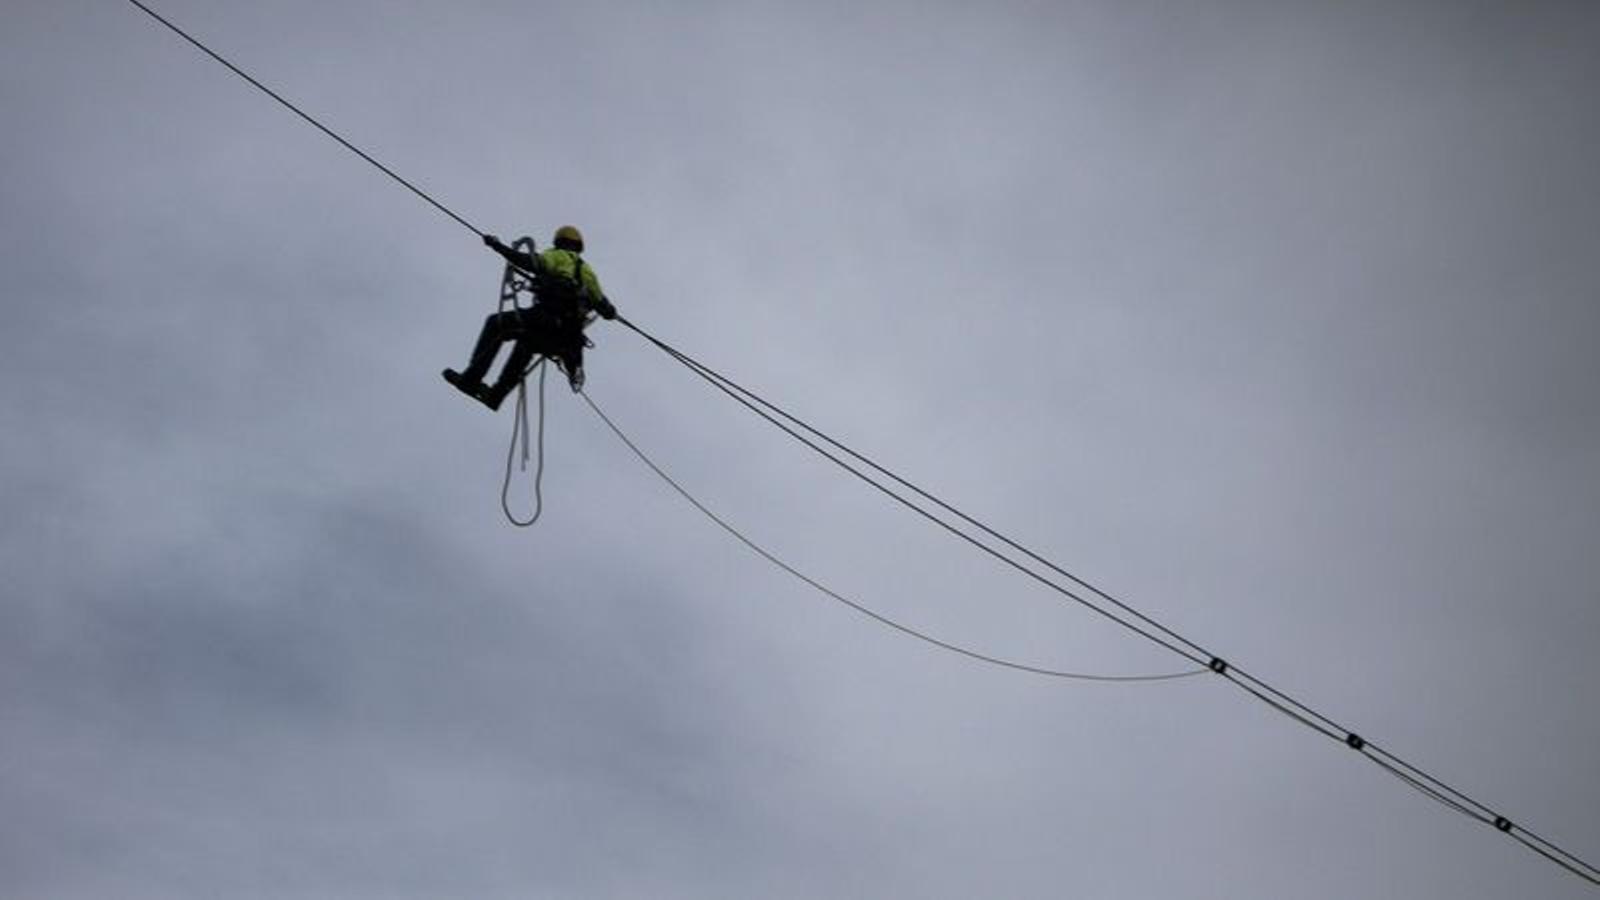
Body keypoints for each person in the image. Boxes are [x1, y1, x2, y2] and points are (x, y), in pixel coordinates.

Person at [443, 225, 618, 409]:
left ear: (560, 243)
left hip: (544, 319)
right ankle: (496, 396)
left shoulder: (558, 255)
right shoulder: (587, 272)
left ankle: (471, 380)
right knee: (525, 346)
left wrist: (498, 246)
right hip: (565, 339)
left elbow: (529, 262)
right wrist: (612, 311)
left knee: (496, 324)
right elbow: (604, 307)